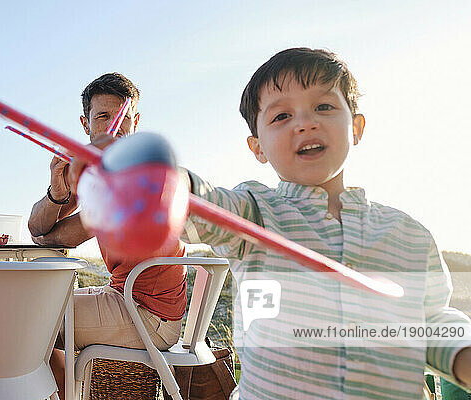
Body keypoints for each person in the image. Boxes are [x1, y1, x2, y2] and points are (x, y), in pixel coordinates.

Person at [180, 48, 471, 399]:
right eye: (281, 115)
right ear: (257, 147)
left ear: (356, 127)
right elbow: (199, 205)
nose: (305, 123)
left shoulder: (409, 235)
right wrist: (162, 182)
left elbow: (431, 321)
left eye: (324, 107)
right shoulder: (253, 213)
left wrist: (461, 356)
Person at [28, 73, 186, 399]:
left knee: (25, 322)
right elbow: (39, 230)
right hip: (123, 296)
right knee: (28, 307)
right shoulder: (97, 176)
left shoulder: (140, 172)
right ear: (86, 125)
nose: (116, 129)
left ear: (136, 121)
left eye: (123, 119)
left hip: (148, 314)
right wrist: (58, 193)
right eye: (104, 118)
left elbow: (58, 237)